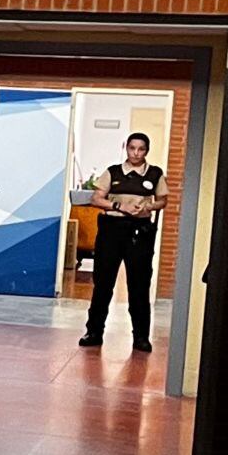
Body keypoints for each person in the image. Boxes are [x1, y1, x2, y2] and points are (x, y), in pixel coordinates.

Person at [80, 130, 168, 355]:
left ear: (147, 151)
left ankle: (141, 336)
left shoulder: (155, 174)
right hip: (112, 229)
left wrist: (147, 207)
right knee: (103, 283)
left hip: (140, 232)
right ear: (126, 148)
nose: (136, 153)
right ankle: (94, 332)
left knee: (139, 285)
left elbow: (162, 201)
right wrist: (120, 207)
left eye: (141, 149)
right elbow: (96, 198)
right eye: (132, 148)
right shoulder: (113, 172)